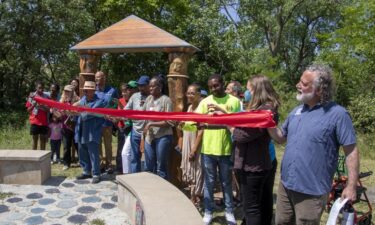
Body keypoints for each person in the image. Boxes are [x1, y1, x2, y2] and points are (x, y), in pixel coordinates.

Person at [268, 64, 359, 225]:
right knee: (280, 222)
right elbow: (281, 137)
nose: (298, 85)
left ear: (319, 90)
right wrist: (267, 123)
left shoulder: (338, 114)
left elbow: (351, 151)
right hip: (286, 186)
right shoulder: (297, 111)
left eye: (304, 83)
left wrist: (351, 186)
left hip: (311, 192)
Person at [229, 75, 280, 225]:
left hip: (253, 166)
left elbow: (241, 135)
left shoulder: (264, 112)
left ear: (257, 90)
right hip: (258, 163)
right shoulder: (262, 109)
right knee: (262, 203)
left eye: (248, 89)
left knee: (251, 208)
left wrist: (229, 126)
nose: (246, 92)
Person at [196, 74, 241, 225]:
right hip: (208, 149)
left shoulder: (234, 101)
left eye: (216, 85)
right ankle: (208, 211)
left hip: (226, 149)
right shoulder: (205, 102)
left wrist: (212, 122)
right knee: (208, 182)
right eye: (210, 87)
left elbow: (237, 123)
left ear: (222, 83)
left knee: (226, 182)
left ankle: (229, 212)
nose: (213, 89)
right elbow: (196, 120)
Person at [142, 76, 174, 179]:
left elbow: (170, 121)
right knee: (149, 165)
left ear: (160, 87)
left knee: (161, 167)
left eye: (152, 86)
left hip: (163, 137)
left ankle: (163, 191)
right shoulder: (148, 99)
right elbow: (141, 114)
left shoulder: (166, 100)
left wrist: (152, 124)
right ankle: (151, 189)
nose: (150, 88)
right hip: (149, 137)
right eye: (149, 86)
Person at [74, 81, 106, 184]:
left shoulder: (99, 101)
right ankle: (86, 171)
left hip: (93, 131)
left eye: (87, 90)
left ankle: (96, 173)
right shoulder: (83, 99)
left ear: (93, 91)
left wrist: (78, 111)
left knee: (93, 153)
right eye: (85, 90)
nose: (85, 92)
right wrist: (70, 107)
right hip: (81, 129)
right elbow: (76, 106)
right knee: (82, 150)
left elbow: (89, 113)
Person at [179, 83, 204, 205]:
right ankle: (192, 195)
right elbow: (192, 127)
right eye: (188, 93)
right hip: (187, 141)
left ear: (199, 94)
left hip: (196, 145)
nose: (189, 95)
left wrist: (194, 149)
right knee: (189, 169)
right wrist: (183, 125)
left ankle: (197, 197)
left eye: (192, 93)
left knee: (196, 169)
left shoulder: (201, 109)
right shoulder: (189, 108)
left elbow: (200, 131)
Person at [125, 75, 150, 173]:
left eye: (143, 85)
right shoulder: (134, 96)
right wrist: (117, 116)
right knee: (134, 157)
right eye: (139, 86)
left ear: (148, 85)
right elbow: (126, 110)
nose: (141, 88)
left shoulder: (153, 97)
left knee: (149, 158)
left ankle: (148, 178)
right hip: (135, 131)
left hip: (148, 132)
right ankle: (135, 178)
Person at [95, 71, 119, 173]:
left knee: (108, 144)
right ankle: (101, 164)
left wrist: (112, 116)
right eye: (96, 78)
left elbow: (115, 104)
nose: (97, 80)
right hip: (96, 122)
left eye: (99, 78)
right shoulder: (93, 91)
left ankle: (109, 165)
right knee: (98, 144)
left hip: (107, 123)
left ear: (104, 78)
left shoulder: (112, 90)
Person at [116, 81, 137, 173]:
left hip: (134, 129)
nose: (126, 92)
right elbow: (121, 114)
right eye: (125, 90)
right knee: (123, 151)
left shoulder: (137, 100)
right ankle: (123, 171)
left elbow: (128, 115)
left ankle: (130, 173)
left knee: (128, 153)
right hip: (123, 128)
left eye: (128, 89)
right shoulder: (122, 100)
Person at [60, 84, 80, 170]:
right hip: (65, 126)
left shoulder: (78, 100)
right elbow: (59, 114)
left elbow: (80, 113)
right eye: (65, 91)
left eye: (68, 91)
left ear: (72, 92)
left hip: (76, 126)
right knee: (66, 146)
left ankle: (82, 161)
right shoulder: (62, 101)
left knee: (78, 145)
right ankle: (66, 163)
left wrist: (71, 111)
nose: (66, 93)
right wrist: (57, 111)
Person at [26, 81, 50, 150]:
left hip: (44, 122)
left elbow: (49, 110)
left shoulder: (46, 97)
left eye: (42, 88)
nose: (41, 89)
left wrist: (42, 106)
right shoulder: (31, 96)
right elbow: (28, 110)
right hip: (34, 121)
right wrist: (34, 104)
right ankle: (34, 156)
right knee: (35, 139)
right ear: (36, 88)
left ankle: (42, 157)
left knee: (43, 139)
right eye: (39, 88)